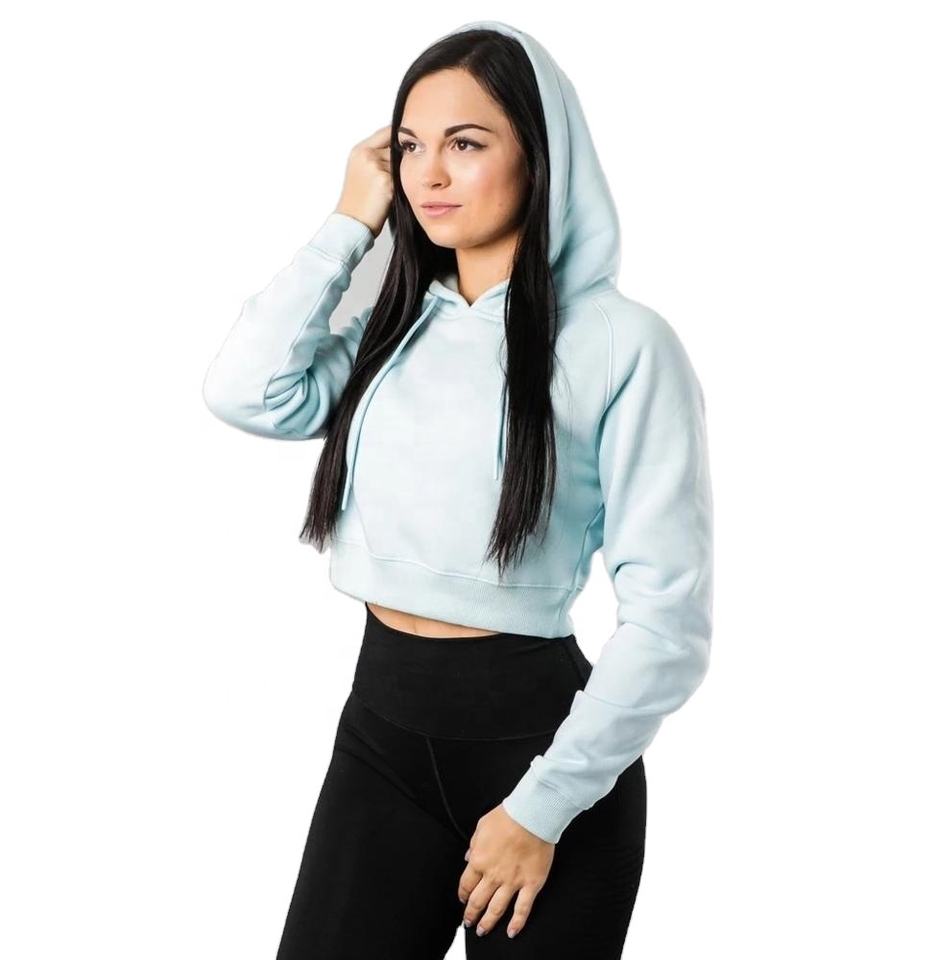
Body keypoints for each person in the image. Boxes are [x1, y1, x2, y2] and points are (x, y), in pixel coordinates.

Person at [202, 18, 713, 960]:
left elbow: (669, 623)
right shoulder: (388, 319)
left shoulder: (622, 345)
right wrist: (350, 221)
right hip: (379, 740)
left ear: (541, 157)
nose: (428, 174)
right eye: (409, 147)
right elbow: (246, 392)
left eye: (466, 144)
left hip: (547, 762)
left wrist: (542, 807)